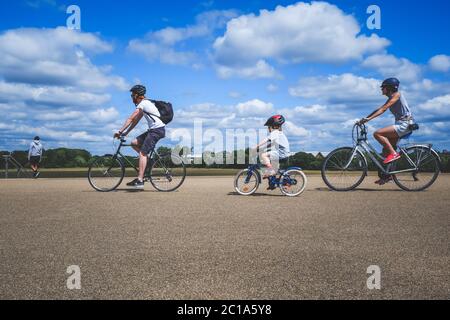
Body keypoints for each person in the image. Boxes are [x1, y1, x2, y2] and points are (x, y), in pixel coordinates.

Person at [358, 78, 415, 185]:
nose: (381, 89)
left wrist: (369, 119)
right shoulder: (391, 97)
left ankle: (394, 153)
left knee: (377, 133)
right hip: (401, 124)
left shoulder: (397, 95)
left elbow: (383, 109)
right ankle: (387, 176)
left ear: (389, 88)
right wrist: (365, 118)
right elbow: (380, 108)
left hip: (405, 124)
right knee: (385, 151)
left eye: (383, 87)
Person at [114, 85, 166, 189]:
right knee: (134, 143)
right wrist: (126, 132)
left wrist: (120, 131)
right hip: (153, 130)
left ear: (137, 95)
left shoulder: (143, 103)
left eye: (132, 95)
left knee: (142, 153)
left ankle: (140, 180)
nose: (132, 97)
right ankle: (148, 160)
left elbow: (130, 119)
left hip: (157, 130)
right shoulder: (145, 104)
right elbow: (135, 121)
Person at [254, 115, 290, 189]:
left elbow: (266, 140)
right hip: (283, 153)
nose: (268, 129)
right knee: (269, 163)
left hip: (282, 153)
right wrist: (263, 148)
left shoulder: (275, 132)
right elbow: (270, 144)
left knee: (264, 156)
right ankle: (272, 184)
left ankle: (271, 171)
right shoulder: (278, 133)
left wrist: (256, 146)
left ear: (273, 126)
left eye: (268, 127)